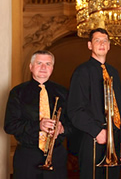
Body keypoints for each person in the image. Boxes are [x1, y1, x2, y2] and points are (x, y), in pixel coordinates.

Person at [67, 28, 121, 179]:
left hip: (114, 137)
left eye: (105, 41)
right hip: (92, 137)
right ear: (89, 45)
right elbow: (75, 110)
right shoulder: (81, 71)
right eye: (97, 41)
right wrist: (97, 132)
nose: (102, 44)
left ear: (109, 46)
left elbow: (119, 109)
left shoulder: (114, 72)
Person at [4, 50, 71, 179]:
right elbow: (10, 126)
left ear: (52, 68)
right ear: (31, 67)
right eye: (39, 63)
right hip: (27, 156)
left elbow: (74, 123)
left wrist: (62, 129)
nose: (43, 67)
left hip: (56, 155)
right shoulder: (18, 92)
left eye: (48, 64)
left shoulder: (63, 92)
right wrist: (38, 125)